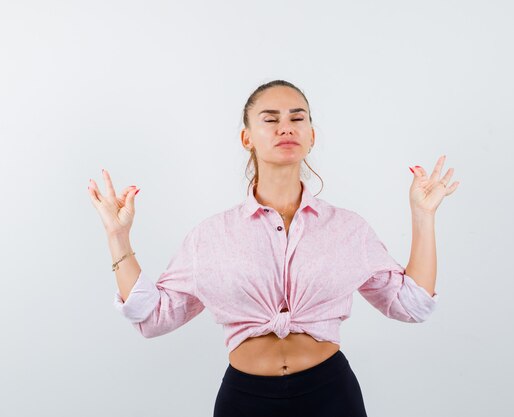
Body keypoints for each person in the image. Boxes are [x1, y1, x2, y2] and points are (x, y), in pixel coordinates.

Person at [87, 80, 459, 417]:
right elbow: (153, 317)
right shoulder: (211, 236)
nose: (286, 127)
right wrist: (118, 236)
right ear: (246, 138)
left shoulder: (348, 229)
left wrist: (423, 216)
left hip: (331, 395)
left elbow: (413, 306)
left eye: (297, 118)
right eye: (270, 119)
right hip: (245, 400)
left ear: (311, 135)